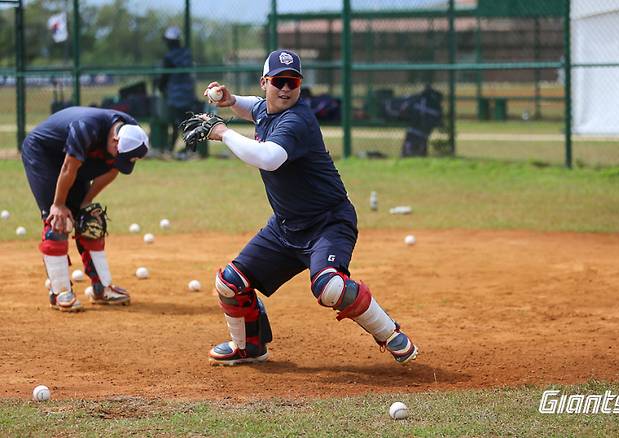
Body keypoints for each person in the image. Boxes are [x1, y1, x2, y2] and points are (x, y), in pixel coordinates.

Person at [192, 49, 419, 366]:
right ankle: (249, 347)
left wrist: (223, 132)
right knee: (230, 283)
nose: (286, 89)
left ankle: (389, 333)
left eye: (293, 82)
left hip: (328, 222)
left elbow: (268, 158)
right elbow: (255, 108)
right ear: (265, 82)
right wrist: (230, 101)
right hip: (286, 227)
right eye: (279, 81)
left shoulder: (297, 120)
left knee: (330, 287)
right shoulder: (266, 108)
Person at [21, 106, 150, 312]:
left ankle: (101, 288)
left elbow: (113, 169)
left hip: (80, 157)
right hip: (45, 153)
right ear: (115, 141)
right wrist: (59, 204)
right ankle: (60, 292)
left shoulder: (131, 131)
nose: (121, 161)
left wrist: (85, 203)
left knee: (90, 219)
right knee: (59, 220)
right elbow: (68, 167)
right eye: (120, 155)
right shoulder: (86, 127)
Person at [158, 26, 197, 158]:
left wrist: (160, 87)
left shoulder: (169, 57)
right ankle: (188, 149)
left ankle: (171, 149)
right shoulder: (187, 53)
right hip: (188, 94)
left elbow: (164, 77)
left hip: (175, 95)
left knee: (176, 123)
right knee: (186, 121)